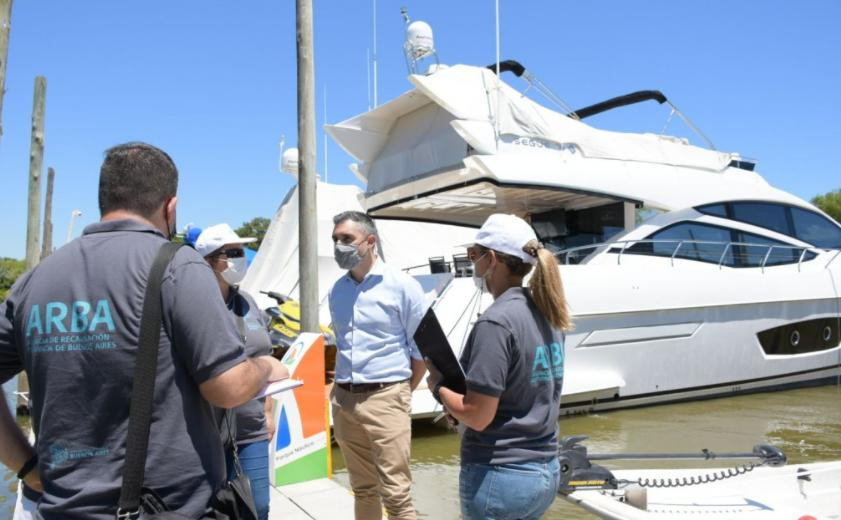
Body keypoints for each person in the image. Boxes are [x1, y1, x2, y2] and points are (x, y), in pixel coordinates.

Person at [0, 142, 287, 519]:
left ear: (105, 198)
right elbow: (228, 387)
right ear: (171, 207)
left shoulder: (34, 281)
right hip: (166, 507)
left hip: (61, 507)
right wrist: (266, 366)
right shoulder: (177, 266)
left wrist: (25, 466)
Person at [426, 213, 572, 520]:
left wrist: (439, 388)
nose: (472, 263)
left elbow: (478, 416)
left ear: (491, 260)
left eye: (473, 255)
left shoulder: (496, 322)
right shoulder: (549, 313)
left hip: (500, 475)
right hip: (544, 470)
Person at [328, 211, 427, 520]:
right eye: (335, 240)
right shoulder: (337, 290)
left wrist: (400, 392)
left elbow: (421, 351)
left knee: (397, 495)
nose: (339, 246)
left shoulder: (403, 286)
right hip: (344, 399)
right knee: (363, 489)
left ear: (370, 241)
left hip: (387, 398)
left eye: (347, 239)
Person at [195, 223, 275, 520]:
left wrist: (267, 412)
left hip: (249, 429)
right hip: (205, 434)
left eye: (242, 251)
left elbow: (264, 355)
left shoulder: (248, 303)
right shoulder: (193, 306)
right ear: (208, 261)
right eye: (233, 253)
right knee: (215, 512)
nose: (241, 258)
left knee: (258, 507)